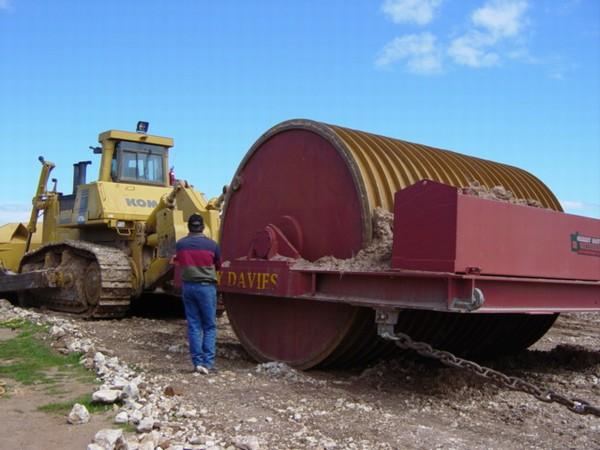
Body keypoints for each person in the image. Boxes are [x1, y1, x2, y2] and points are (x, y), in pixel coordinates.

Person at [173, 213, 221, 374]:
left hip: (188, 287)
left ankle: (197, 363)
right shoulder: (212, 245)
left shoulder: (181, 245)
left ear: (189, 227)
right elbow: (218, 264)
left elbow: (178, 261)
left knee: (194, 325)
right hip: (206, 288)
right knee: (209, 326)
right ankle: (208, 364)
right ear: (202, 227)